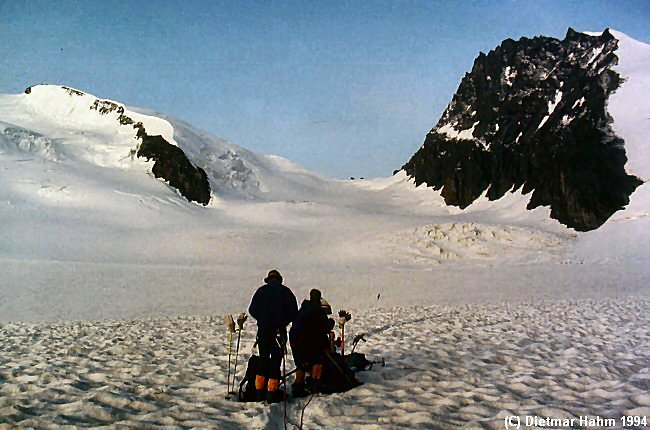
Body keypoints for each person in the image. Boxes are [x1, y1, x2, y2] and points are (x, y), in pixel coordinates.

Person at [248, 270, 298, 403]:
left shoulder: (261, 291)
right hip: (278, 332)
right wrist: (284, 321)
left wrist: (263, 319)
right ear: (280, 279)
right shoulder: (286, 292)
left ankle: (259, 393)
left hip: (263, 331)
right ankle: (271, 394)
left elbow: (252, 310)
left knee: (263, 360)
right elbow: (294, 313)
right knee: (276, 362)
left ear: (268, 280)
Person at [289, 289, 330, 397]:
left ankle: (298, 386)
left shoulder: (303, 309)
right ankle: (314, 385)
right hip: (312, 342)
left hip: (297, 341)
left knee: (301, 364)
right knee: (317, 362)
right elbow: (323, 329)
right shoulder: (319, 311)